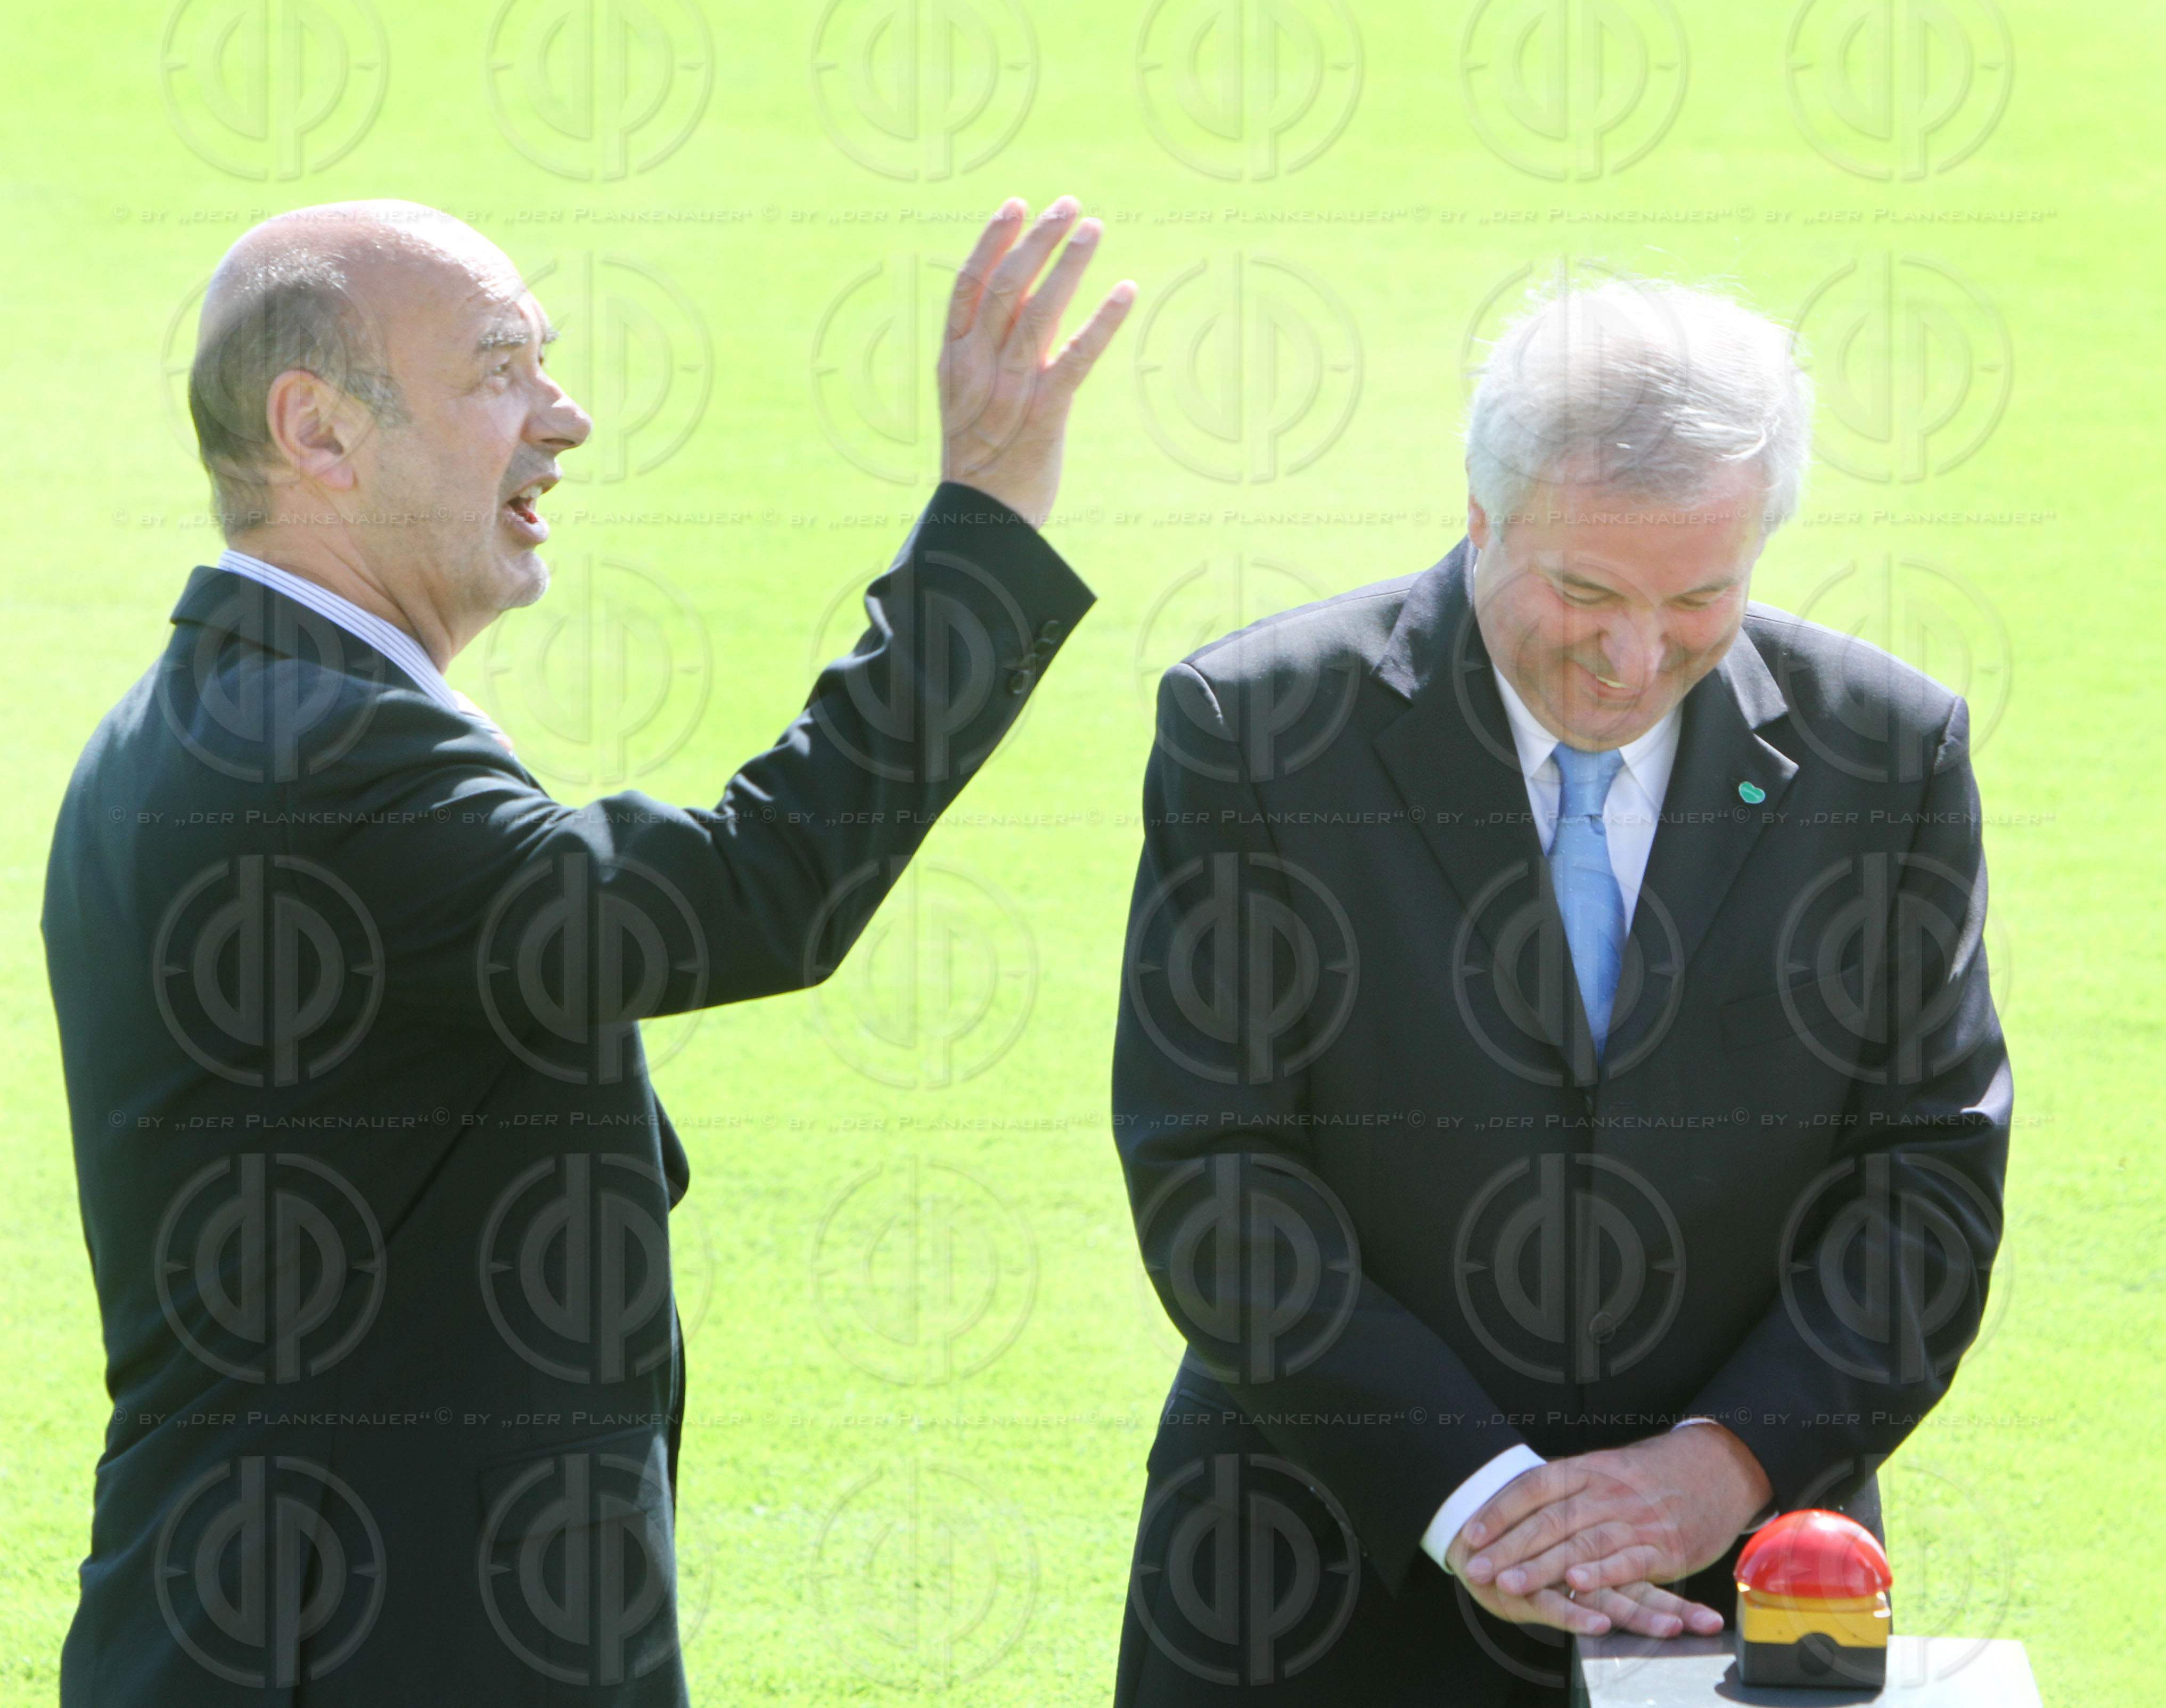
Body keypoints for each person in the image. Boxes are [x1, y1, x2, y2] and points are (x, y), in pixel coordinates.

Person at [43, 194, 1131, 1703]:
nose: (566, 418)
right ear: (318, 432)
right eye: (499, 368)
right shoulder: (308, 763)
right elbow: (760, 886)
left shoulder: (235, 714)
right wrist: (986, 524)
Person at [1109, 278, 2011, 1705]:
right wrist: (1476, 1498)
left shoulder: (1886, 757)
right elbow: (1213, 1172)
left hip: (1733, 1598)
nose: (1635, 658)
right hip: (1310, 1585)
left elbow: (1927, 1185)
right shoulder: (1255, 733)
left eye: (1700, 598)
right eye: (1584, 591)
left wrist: (1717, 1471)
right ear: (1480, 514)